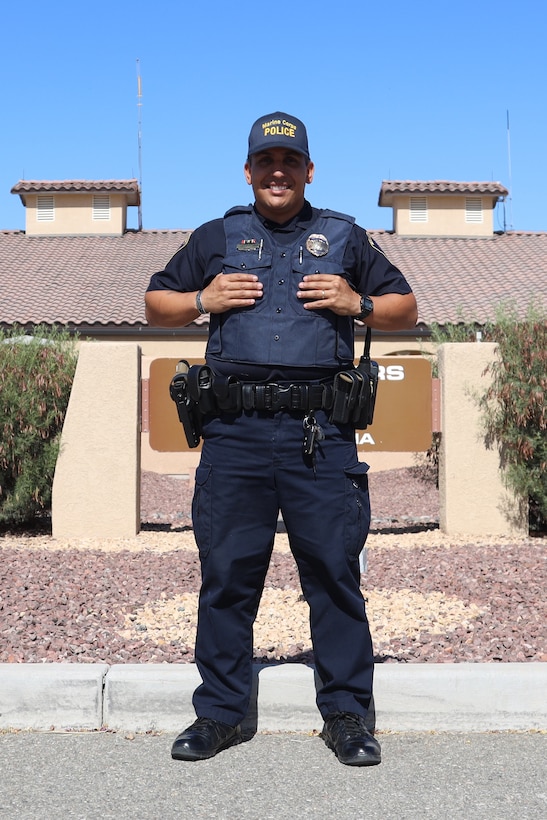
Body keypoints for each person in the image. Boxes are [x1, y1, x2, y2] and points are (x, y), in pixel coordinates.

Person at [145, 112, 417, 766]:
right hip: (233, 433)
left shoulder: (344, 239)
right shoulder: (215, 237)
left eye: (288, 162)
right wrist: (203, 298)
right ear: (248, 171)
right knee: (227, 577)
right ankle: (218, 715)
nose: (277, 172)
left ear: (307, 171)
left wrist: (359, 305)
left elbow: (405, 305)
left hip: (318, 435)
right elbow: (157, 300)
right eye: (265, 162)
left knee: (332, 576)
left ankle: (347, 715)